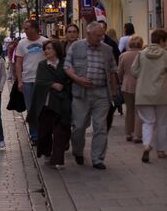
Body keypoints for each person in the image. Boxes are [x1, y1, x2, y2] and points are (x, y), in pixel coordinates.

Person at [64, 22, 117, 170]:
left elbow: (112, 71)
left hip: (101, 93)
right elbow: (67, 67)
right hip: (81, 93)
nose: (100, 38)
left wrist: (112, 92)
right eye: (97, 36)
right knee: (79, 126)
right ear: (88, 34)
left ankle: (97, 158)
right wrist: (78, 79)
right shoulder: (76, 47)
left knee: (101, 127)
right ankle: (78, 151)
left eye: (102, 35)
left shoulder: (107, 49)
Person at [29, 40, 72, 169]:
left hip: (61, 103)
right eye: (45, 49)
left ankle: (58, 159)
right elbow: (39, 83)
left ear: (57, 51)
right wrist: (52, 84)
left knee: (60, 132)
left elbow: (69, 81)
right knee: (45, 132)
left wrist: (63, 88)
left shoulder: (64, 65)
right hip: (46, 104)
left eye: (49, 49)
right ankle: (47, 153)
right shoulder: (42, 65)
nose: (46, 51)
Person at [131, 29, 167, 163]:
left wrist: (143, 76)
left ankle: (147, 145)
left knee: (148, 122)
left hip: (143, 93)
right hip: (161, 94)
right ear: (162, 41)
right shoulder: (165, 55)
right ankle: (161, 150)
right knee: (162, 123)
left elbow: (134, 71)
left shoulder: (141, 54)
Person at [15, 19, 48, 144]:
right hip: (27, 80)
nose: (25, 30)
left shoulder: (45, 41)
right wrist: (19, 80)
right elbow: (18, 62)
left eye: (27, 28)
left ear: (34, 28)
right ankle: (34, 135)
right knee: (31, 109)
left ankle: (43, 133)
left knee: (43, 108)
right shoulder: (22, 44)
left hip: (42, 80)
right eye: (24, 28)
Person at [118, 35, 143, 143]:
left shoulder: (123, 55)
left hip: (126, 85)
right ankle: (137, 135)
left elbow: (120, 71)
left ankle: (128, 133)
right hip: (140, 85)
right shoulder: (143, 55)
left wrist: (120, 80)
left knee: (129, 110)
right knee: (139, 111)